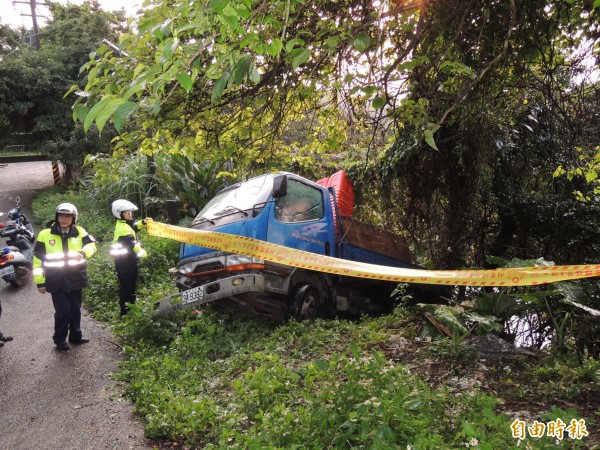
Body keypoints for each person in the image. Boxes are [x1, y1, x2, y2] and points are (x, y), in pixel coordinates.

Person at [33, 203, 96, 351]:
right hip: (56, 281)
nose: (64, 219)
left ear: (74, 218)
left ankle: (76, 336)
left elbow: (92, 245)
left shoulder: (80, 231)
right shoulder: (45, 234)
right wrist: (40, 283)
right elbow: (37, 260)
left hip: (76, 278)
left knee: (75, 310)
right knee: (63, 312)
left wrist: (83, 253)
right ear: (57, 217)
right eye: (61, 215)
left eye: (68, 216)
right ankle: (59, 338)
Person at [110, 199, 149, 316]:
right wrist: (144, 253)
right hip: (124, 263)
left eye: (130, 212)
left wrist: (144, 222)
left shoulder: (124, 224)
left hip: (128, 261)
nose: (130, 214)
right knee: (127, 288)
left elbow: (134, 226)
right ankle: (125, 313)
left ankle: (131, 309)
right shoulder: (123, 229)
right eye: (127, 213)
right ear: (120, 214)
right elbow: (133, 244)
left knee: (131, 286)